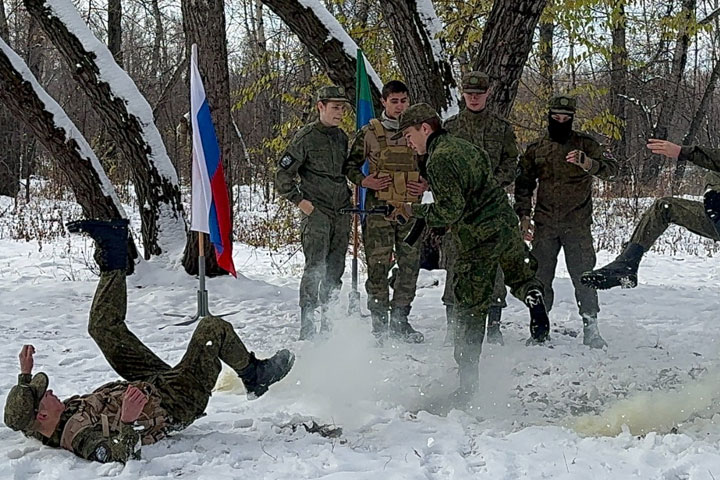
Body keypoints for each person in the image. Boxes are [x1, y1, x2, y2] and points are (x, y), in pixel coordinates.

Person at [3, 219, 294, 463]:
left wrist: (25, 375)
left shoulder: (36, 423)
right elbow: (120, 453)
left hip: (149, 383)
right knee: (212, 329)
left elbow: (19, 418)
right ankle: (254, 375)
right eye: (45, 394)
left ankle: (114, 250)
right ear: (42, 414)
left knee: (103, 329)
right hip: (176, 400)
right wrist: (128, 420)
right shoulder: (81, 438)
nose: (51, 391)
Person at [392, 103, 551, 399]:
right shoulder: (464, 147)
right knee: (518, 274)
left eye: (409, 135)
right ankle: (532, 293)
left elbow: (451, 210)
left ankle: (468, 384)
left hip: (478, 238)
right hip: (505, 224)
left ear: (425, 128)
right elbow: (476, 189)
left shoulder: (439, 159)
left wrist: (412, 210)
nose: (408, 142)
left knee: (470, 309)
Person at [514, 95, 618, 349]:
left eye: (566, 118)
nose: (560, 121)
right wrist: (523, 216)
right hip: (545, 223)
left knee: (585, 276)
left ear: (572, 119)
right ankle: (539, 327)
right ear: (549, 116)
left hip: (577, 223)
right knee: (539, 278)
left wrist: (588, 163)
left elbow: (611, 170)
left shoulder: (585, 145)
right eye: (556, 117)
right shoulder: (537, 148)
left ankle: (591, 326)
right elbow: (524, 184)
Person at [442, 71, 520, 346]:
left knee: (493, 265)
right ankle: (454, 326)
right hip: (460, 207)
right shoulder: (450, 128)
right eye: (469, 94)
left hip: (491, 207)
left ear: (488, 94)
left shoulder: (501, 128)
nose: (474, 98)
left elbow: (512, 163)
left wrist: (492, 183)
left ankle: (494, 325)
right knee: (456, 263)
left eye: (479, 94)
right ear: (463, 95)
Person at [345, 80, 427, 343]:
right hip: (378, 211)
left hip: (410, 211)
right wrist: (365, 181)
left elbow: (433, 163)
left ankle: (401, 320)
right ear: (384, 102)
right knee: (378, 267)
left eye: (404, 101)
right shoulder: (370, 132)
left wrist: (425, 182)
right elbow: (350, 166)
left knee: (409, 266)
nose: (400, 106)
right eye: (394, 101)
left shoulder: (419, 131)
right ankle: (380, 324)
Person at [582, 139, 720, 289]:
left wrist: (683, 152)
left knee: (665, 207)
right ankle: (626, 265)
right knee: (664, 207)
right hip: (715, 215)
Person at [275, 86, 352, 340]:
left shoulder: (341, 137)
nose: (340, 112)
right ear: (321, 106)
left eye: (342, 107)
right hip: (316, 211)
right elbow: (282, 175)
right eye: (335, 107)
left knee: (335, 269)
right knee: (315, 268)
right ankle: (307, 326)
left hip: (340, 211)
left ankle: (329, 323)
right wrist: (300, 201)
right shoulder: (306, 137)